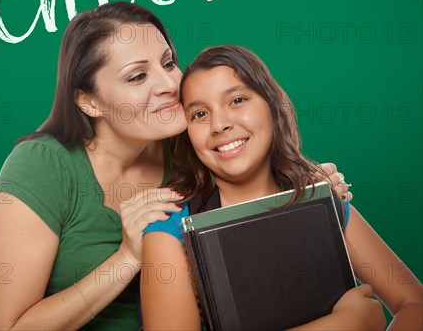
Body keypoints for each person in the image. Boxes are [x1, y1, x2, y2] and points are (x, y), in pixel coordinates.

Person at [0, 2, 351, 330]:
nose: (169, 84)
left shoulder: (191, 146)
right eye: (137, 76)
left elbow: (259, 192)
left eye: (168, 62)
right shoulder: (43, 165)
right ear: (88, 101)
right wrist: (127, 257)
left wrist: (309, 191)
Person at [141, 45, 423, 331]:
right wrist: (346, 324)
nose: (220, 124)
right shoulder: (169, 229)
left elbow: (415, 303)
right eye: (200, 114)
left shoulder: (321, 200)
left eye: (237, 100)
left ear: (272, 107)